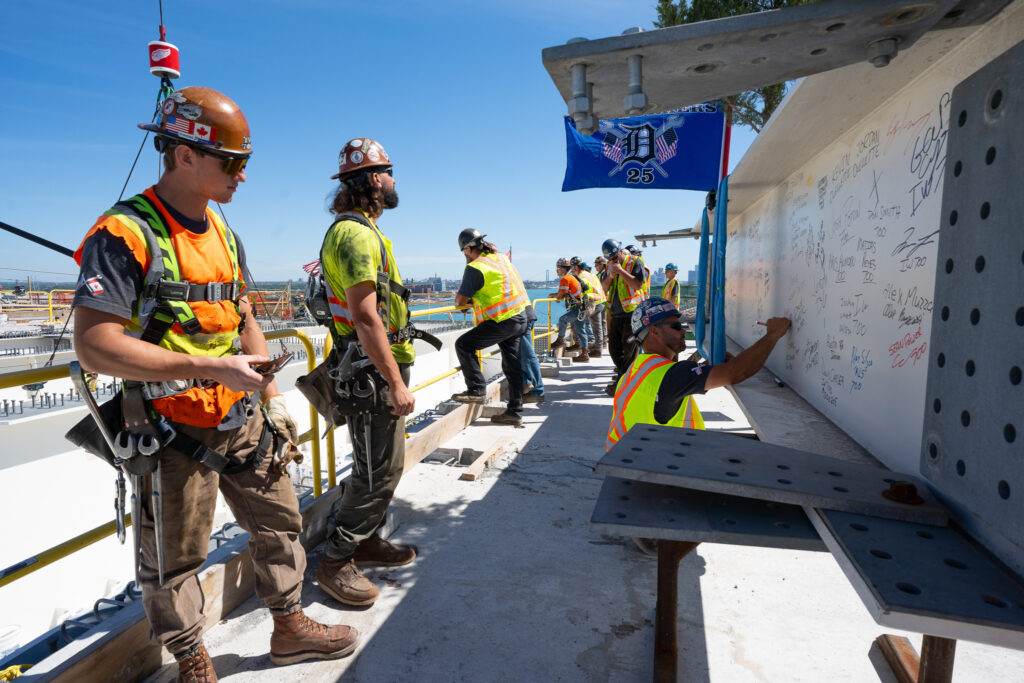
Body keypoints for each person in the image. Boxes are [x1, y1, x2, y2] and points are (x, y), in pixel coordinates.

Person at [72, 86, 357, 681]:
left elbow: (242, 311)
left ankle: (288, 625)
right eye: (233, 162)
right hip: (171, 429)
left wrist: (270, 400)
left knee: (280, 520)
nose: (243, 176)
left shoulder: (223, 230)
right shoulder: (125, 233)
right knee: (174, 558)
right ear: (184, 156)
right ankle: (192, 659)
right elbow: (95, 343)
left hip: (241, 417)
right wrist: (208, 368)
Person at [315, 137, 419, 610]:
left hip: (373, 366)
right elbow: (366, 316)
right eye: (390, 173)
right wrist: (394, 380)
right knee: (379, 470)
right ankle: (337, 560)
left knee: (376, 464)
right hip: (372, 371)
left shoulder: (362, 231)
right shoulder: (356, 235)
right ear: (375, 179)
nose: (395, 181)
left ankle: (365, 540)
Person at [607, 297, 791, 449]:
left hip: (629, 459)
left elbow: (673, 387)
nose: (683, 331)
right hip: (656, 472)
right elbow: (737, 372)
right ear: (654, 331)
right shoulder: (672, 375)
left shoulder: (637, 368)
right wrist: (773, 335)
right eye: (676, 326)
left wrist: (705, 368)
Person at [452, 228, 529, 426]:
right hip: (520, 316)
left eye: (464, 252)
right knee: (512, 366)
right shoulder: (501, 258)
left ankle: (476, 389)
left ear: (468, 249)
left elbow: (460, 302)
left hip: (503, 320)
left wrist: (465, 301)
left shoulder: (475, 267)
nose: (464, 256)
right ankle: (515, 411)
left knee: (463, 345)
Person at [600, 238, 646, 395]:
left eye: (614, 258)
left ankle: (622, 384)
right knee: (614, 349)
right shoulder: (609, 267)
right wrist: (611, 276)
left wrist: (621, 271)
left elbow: (638, 285)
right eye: (609, 259)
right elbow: (603, 288)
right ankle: (628, 379)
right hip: (616, 313)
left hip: (633, 313)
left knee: (629, 351)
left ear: (620, 251)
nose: (612, 261)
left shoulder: (635, 262)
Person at [548, 257, 591, 363]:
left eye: (557, 268)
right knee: (581, 331)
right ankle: (585, 354)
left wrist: (551, 296)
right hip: (582, 306)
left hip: (577, 307)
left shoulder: (565, 279)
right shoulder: (572, 277)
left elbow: (559, 295)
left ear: (562, 268)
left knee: (563, 320)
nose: (557, 270)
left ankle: (560, 340)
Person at [572, 258, 606, 358]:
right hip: (599, 301)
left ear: (577, 267)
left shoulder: (581, 277)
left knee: (576, 321)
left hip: (591, 302)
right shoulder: (592, 275)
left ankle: (581, 347)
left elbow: (581, 291)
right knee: (597, 327)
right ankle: (598, 349)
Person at [520, 304, 545, 403]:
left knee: (527, 356)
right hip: (524, 316)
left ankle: (537, 391)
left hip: (520, 318)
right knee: (520, 355)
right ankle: (526, 383)